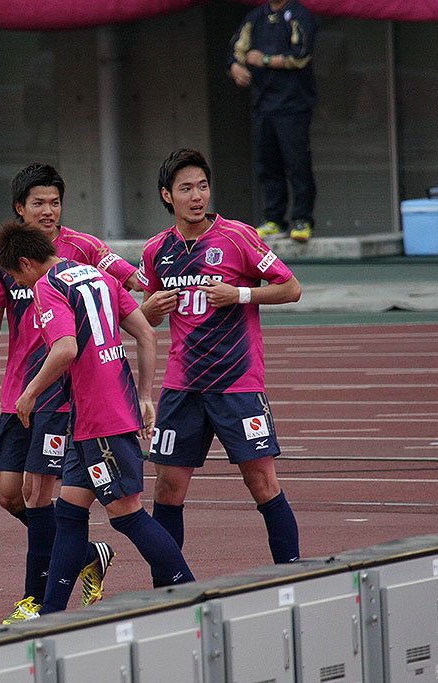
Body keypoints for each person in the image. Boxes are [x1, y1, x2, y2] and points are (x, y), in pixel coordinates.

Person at [0, 221, 194, 617]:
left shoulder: (48, 286)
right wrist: (144, 395)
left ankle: (189, 590)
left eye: (16, 276)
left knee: (127, 513)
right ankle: (51, 612)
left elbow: (65, 348)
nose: (20, 284)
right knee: (69, 511)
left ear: (26, 263)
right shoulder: (96, 275)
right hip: (97, 412)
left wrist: (29, 393)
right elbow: (147, 333)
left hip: (98, 417)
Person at [0, 163, 138, 624]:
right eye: (38, 203)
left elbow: (134, 281)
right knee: (10, 494)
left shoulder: (84, 248)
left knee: (37, 494)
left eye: (55, 202)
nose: (48, 211)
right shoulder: (7, 255)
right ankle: (85, 554)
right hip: (18, 390)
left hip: (59, 392)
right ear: (19, 207)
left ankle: (35, 599)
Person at [140, 149, 302, 575]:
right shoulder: (156, 250)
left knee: (262, 483)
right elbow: (147, 317)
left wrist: (240, 294)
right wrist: (149, 310)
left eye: (203, 186)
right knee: (167, 489)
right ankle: (169, 588)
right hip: (182, 386)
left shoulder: (237, 236)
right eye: (186, 188)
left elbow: (291, 288)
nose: (197, 196)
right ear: (167, 195)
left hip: (237, 385)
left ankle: (294, 576)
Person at [228, 0, 318, 243]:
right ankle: (274, 219)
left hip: (293, 104)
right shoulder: (255, 17)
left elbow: (301, 55)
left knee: (297, 162)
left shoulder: (300, 15)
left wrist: (266, 60)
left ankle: (302, 219)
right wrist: (235, 67)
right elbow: (237, 49)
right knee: (267, 164)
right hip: (262, 104)